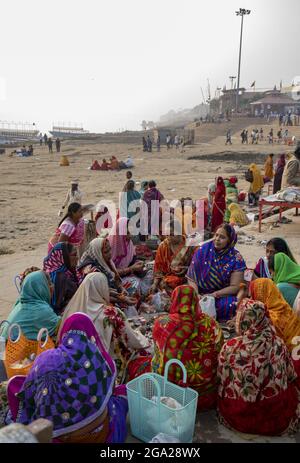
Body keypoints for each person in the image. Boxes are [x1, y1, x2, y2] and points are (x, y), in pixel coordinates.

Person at [7, 313, 129, 443]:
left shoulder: (46, 360)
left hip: (65, 438)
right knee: (121, 393)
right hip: (104, 435)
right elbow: (111, 387)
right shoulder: (95, 359)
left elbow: (29, 395)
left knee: (15, 386)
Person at [128, 285, 224, 410]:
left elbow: (158, 353)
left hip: (168, 394)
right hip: (203, 396)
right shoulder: (211, 324)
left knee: (137, 364)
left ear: (174, 300)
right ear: (196, 300)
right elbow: (219, 351)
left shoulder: (162, 323)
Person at [217, 298, 300, 436]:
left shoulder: (230, 347)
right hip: (274, 418)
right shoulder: (278, 344)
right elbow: (291, 375)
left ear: (243, 320)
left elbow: (220, 378)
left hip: (236, 415)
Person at [58, 273, 149, 384]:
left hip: (77, 364)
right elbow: (132, 340)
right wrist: (142, 336)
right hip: (105, 365)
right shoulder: (112, 313)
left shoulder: (71, 312)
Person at [187, 224, 246, 321]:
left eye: (222, 237)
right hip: (199, 293)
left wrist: (214, 295)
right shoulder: (203, 250)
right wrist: (196, 294)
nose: (217, 239)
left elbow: (235, 286)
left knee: (230, 305)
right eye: (216, 235)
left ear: (230, 241)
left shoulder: (235, 258)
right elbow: (191, 278)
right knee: (184, 299)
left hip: (220, 295)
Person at [2, 271, 60, 341]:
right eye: (49, 284)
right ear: (42, 288)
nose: (52, 287)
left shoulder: (19, 304)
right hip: (15, 349)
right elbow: (58, 325)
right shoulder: (41, 309)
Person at [249, 278, 300, 356]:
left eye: (253, 295)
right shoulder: (285, 307)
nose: (251, 299)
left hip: (291, 359)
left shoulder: (270, 319)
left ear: (260, 295)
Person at [152, 220, 196, 294]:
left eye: (171, 234)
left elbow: (196, 267)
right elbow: (158, 268)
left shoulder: (190, 246)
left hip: (187, 279)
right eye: (166, 235)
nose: (168, 237)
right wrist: (154, 284)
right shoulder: (163, 246)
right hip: (167, 281)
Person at [43, 242, 79, 314]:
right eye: (74, 255)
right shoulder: (60, 277)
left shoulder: (49, 271)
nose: (77, 258)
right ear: (64, 256)